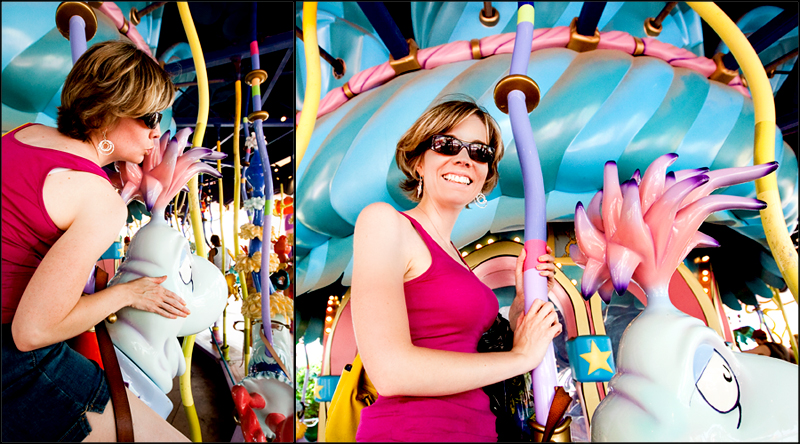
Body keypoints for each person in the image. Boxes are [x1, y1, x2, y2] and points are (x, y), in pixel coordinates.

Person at [1, 40, 191, 442]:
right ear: (109, 111)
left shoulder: (23, 134)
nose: (157, 132)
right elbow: (31, 332)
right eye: (150, 117)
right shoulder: (99, 200)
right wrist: (127, 294)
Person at [350, 99, 560, 442]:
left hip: (477, 430)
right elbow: (389, 371)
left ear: (484, 176)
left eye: (479, 152)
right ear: (418, 160)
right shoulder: (384, 222)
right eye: (447, 145)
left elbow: (462, 352)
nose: (464, 158)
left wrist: (522, 304)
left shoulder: (457, 258)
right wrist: (521, 357)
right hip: (414, 430)